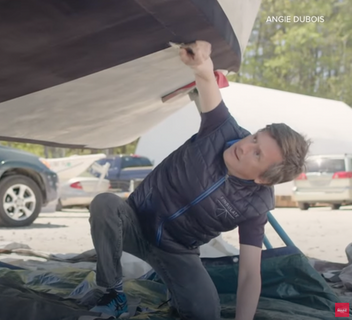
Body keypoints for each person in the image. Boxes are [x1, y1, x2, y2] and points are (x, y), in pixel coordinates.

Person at [88, 41, 311, 320]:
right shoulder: (221, 128)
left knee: (206, 313)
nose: (244, 146)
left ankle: (176, 295)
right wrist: (200, 61)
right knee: (105, 204)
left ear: (264, 178)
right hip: (134, 220)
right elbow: (206, 79)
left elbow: (250, 273)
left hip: (176, 250)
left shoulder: (257, 205)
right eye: (254, 137)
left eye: (257, 153)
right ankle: (113, 294)